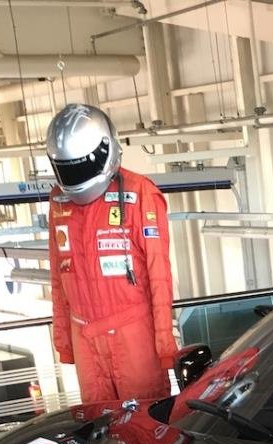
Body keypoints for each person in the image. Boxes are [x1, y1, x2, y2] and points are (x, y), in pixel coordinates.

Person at [46, 103, 178, 403]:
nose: (76, 175)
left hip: (134, 337)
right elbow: (58, 274)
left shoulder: (140, 192)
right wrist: (64, 342)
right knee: (99, 423)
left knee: (145, 419)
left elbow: (159, 274)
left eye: (82, 165)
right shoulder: (58, 201)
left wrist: (165, 345)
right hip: (85, 339)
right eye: (68, 168)